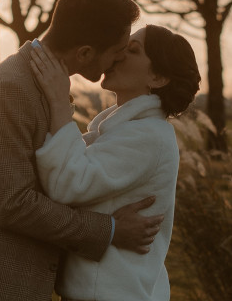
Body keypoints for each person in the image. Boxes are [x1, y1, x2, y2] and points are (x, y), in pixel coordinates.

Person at [0, 0, 164, 301]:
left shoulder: (40, 86)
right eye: (117, 52)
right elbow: (13, 204)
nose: (118, 61)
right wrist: (111, 230)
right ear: (86, 53)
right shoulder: (9, 90)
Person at [31, 24, 201, 301]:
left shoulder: (147, 135)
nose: (118, 55)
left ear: (158, 77)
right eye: (122, 46)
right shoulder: (125, 129)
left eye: (132, 50)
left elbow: (67, 183)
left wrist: (59, 103)